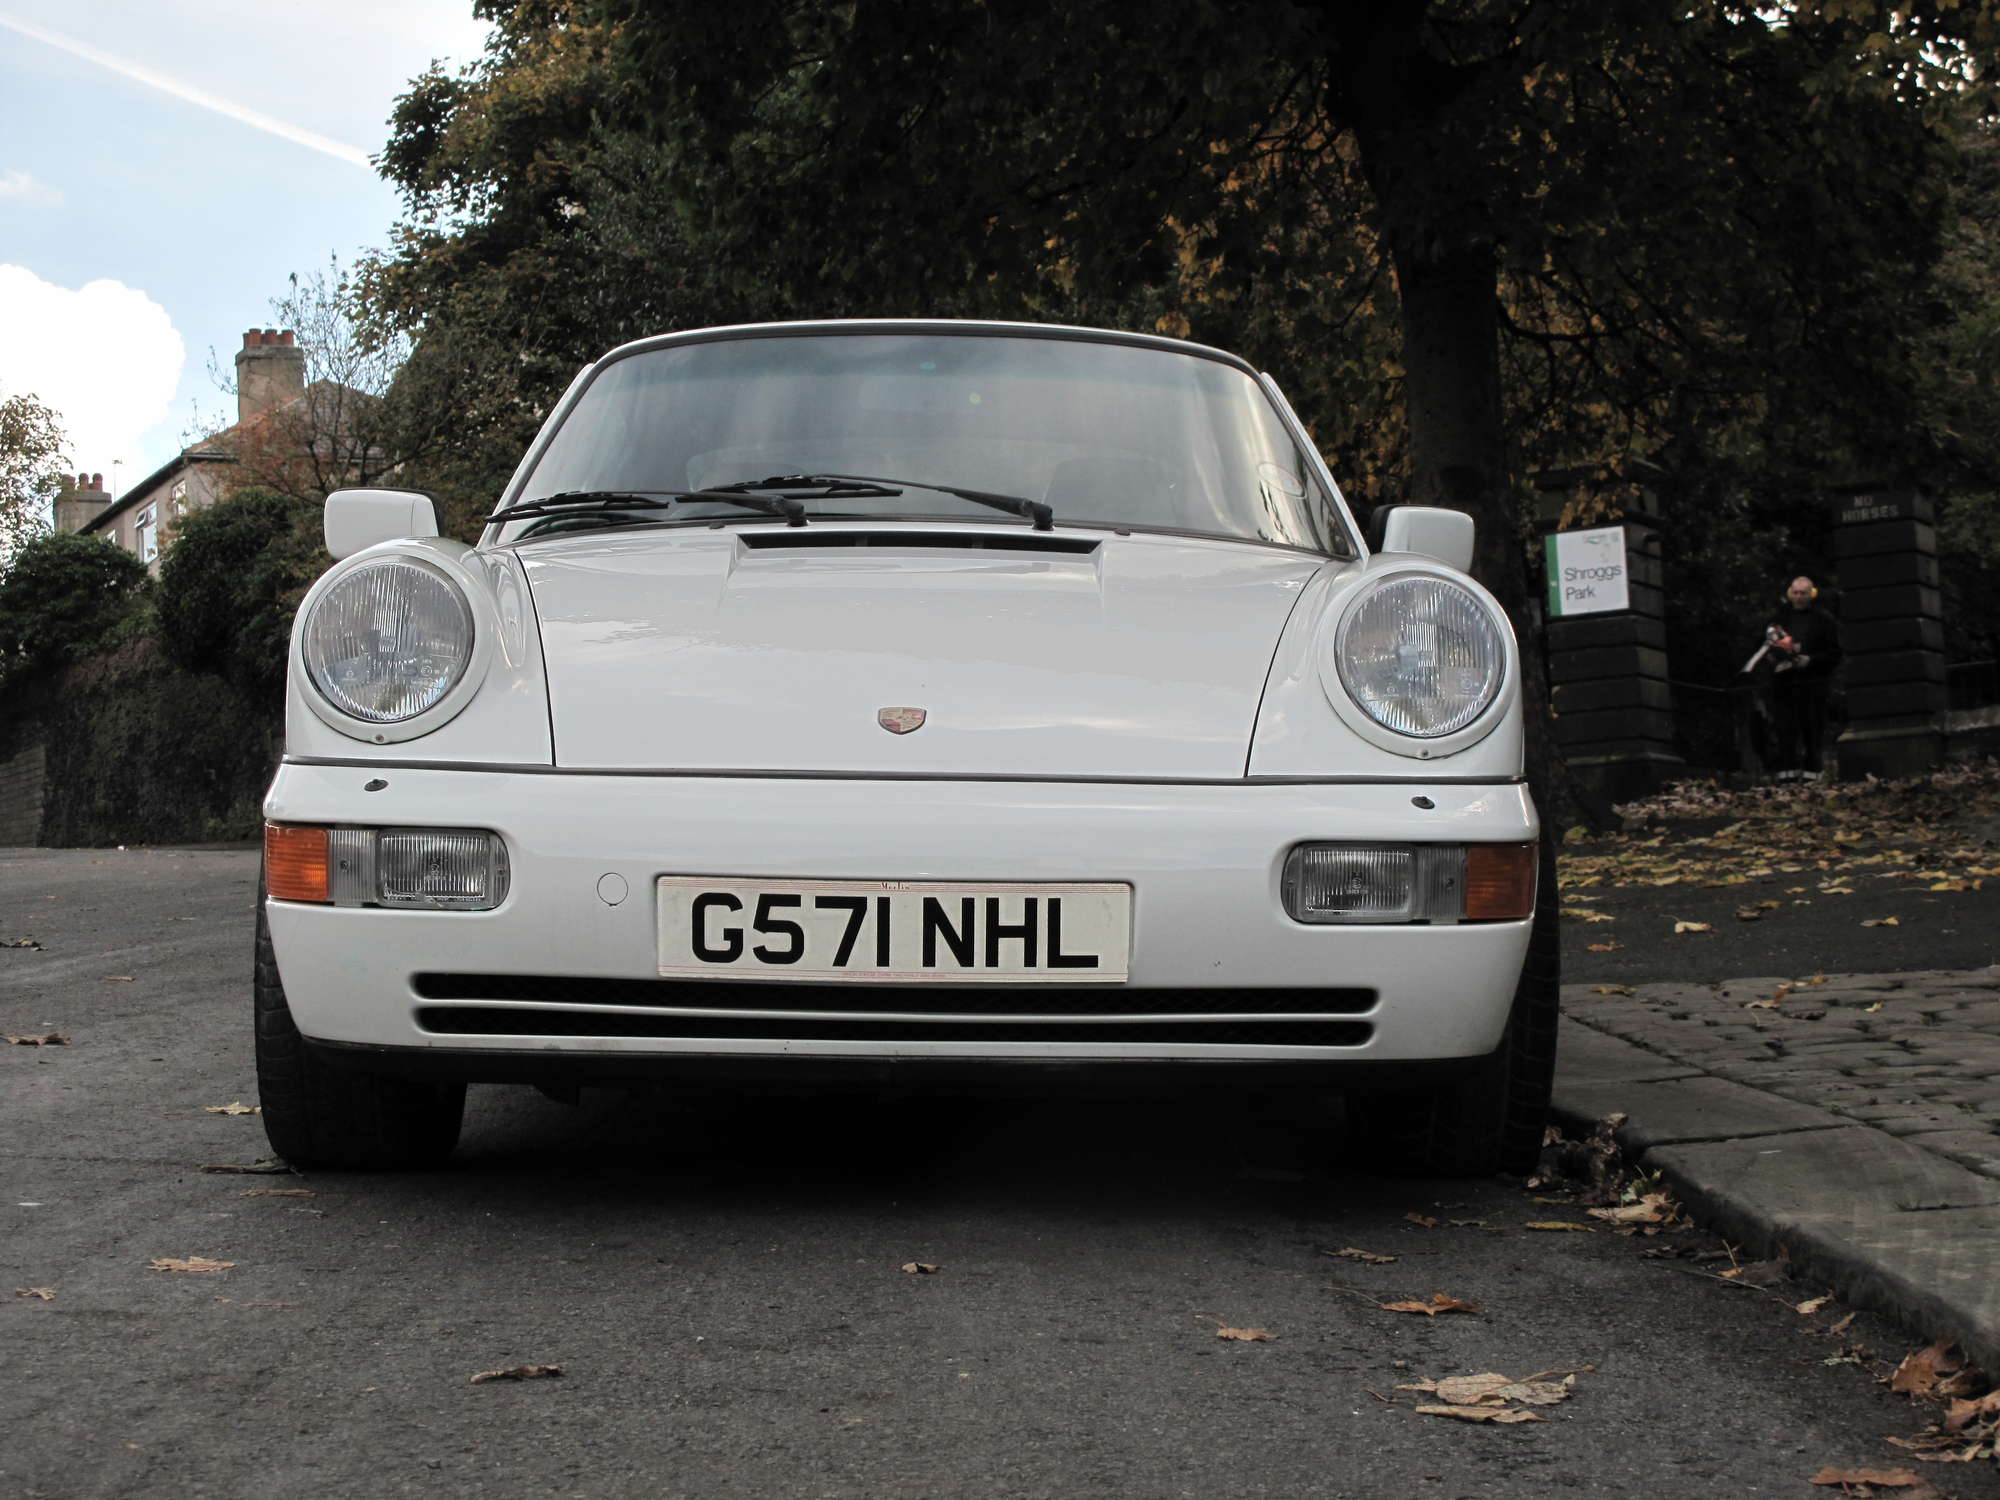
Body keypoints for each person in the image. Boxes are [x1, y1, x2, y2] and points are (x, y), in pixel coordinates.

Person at [1764, 575, 1841, 778]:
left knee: (1812, 731)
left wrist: (1811, 660)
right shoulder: (1779, 619)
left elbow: (1834, 654)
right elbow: (1767, 648)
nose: (1799, 597)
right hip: (1785, 685)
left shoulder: (1824, 620)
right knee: (1785, 731)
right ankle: (1786, 777)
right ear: (1790, 594)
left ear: (1811, 594)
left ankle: (1812, 776)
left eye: (1803, 593)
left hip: (1813, 685)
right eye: (1796, 593)